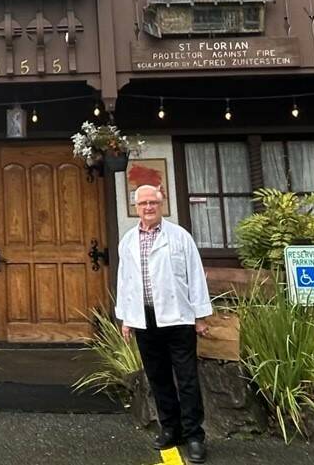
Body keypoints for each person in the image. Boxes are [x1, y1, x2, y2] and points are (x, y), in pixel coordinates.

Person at [116, 183, 213, 462]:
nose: (148, 207)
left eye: (153, 203)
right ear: (136, 208)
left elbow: (195, 276)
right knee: (158, 378)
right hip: (144, 319)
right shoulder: (128, 241)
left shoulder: (179, 236)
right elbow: (125, 283)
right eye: (143, 203)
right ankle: (171, 428)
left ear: (161, 205)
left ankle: (195, 436)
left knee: (187, 380)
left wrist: (200, 316)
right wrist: (126, 318)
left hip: (178, 317)